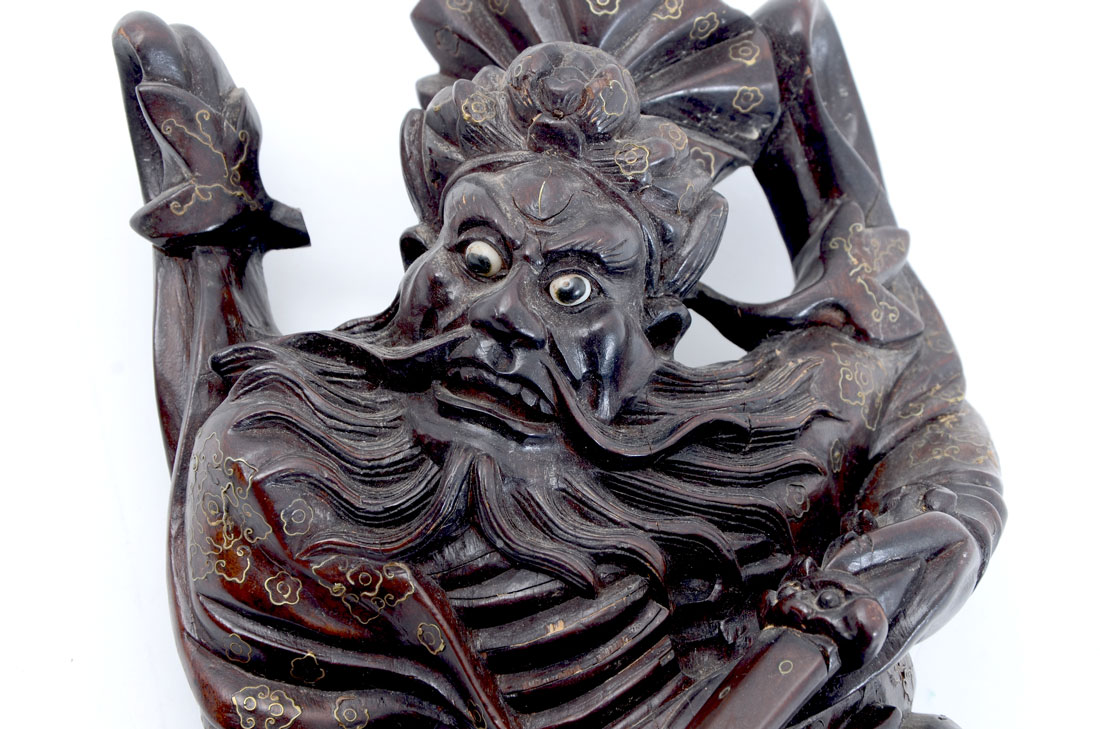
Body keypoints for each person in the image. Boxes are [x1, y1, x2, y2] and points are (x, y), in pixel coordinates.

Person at [114, 2, 1004, 728]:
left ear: (654, 342)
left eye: (573, 289)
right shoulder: (285, 468)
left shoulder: (735, 492)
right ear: (417, 262)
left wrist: (846, 608)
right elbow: (214, 440)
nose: (505, 315)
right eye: (478, 260)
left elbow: (927, 421)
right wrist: (207, 239)